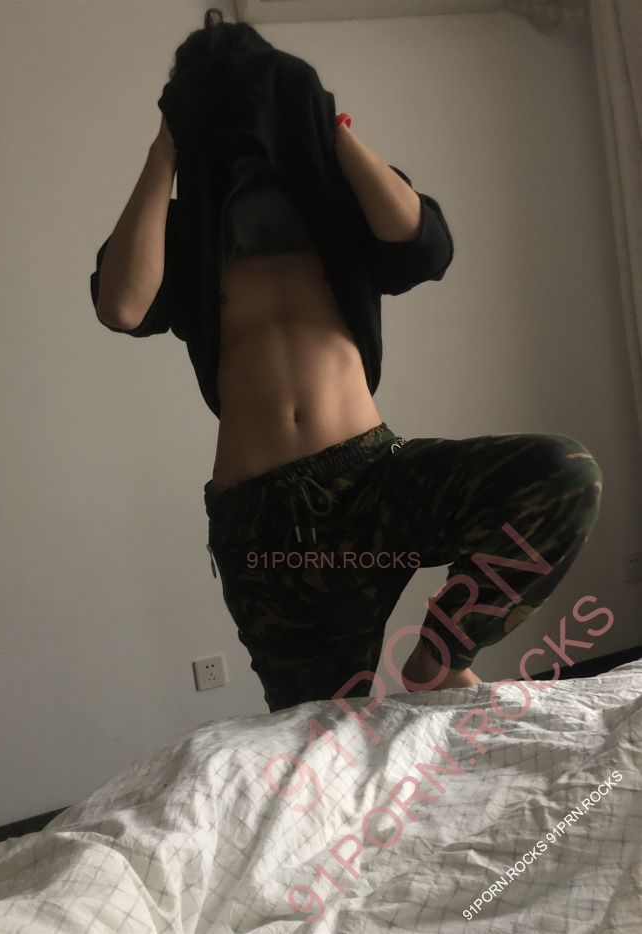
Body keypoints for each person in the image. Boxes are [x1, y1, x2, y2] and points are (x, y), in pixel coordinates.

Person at [91, 9, 603, 714]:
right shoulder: (181, 233)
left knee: (561, 473)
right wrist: (166, 148)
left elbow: (424, 244)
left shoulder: (338, 201)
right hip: (266, 525)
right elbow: (122, 305)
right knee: (324, 734)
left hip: (373, 478)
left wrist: (326, 124)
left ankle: (440, 658)